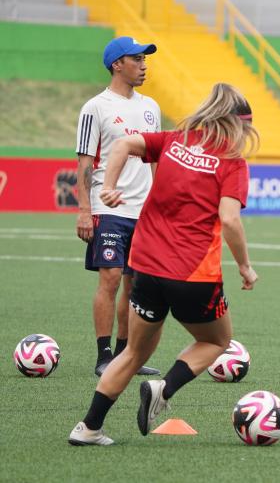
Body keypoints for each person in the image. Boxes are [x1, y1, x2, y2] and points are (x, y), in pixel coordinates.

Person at [68, 83, 259, 446]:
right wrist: (245, 267)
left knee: (134, 352)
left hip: (146, 267)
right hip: (193, 273)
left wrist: (108, 187)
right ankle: (164, 388)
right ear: (235, 125)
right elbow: (230, 219)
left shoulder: (174, 140)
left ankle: (88, 427)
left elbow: (122, 145)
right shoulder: (232, 163)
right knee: (217, 340)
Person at [75, 36, 161, 377]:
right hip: (108, 208)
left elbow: (155, 159)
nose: (144, 65)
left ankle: (127, 355)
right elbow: (84, 162)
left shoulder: (151, 107)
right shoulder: (95, 107)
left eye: (145, 59)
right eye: (137, 58)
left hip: (145, 212)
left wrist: (161, 204)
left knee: (135, 286)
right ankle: (104, 356)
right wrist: (84, 210)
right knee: (109, 279)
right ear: (117, 64)